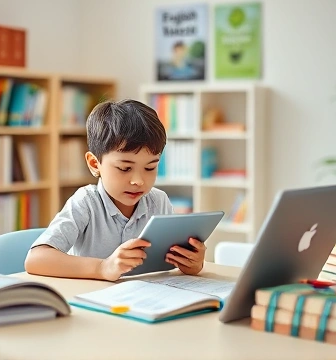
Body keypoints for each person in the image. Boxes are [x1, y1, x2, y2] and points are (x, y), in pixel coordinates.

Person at [25, 99, 206, 281]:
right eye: (125, 168)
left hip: (146, 299)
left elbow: (170, 261)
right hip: (94, 300)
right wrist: (102, 268)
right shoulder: (86, 202)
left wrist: (192, 264)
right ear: (95, 164)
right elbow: (36, 259)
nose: (138, 181)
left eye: (150, 168)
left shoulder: (159, 202)